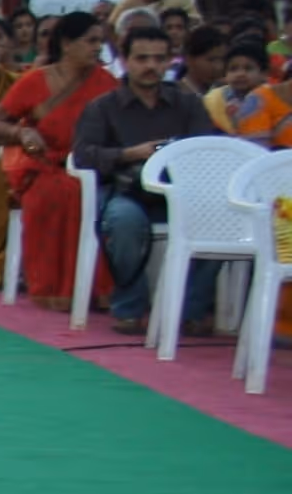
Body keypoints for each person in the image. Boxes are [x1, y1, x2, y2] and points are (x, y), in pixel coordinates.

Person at [72, 21, 229, 333]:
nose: (151, 66)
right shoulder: (103, 107)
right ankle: (130, 308)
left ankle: (188, 311)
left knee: (222, 223)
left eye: (159, 59)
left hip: (180, 194)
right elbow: (82, 155)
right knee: (125, 222)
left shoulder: (187, 104)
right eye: (142, 59)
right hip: (126, 191)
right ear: (126, 60)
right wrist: (129, 154)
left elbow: (209, 149)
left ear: (171, 61)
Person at [0, 9, 109, 304]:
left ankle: (92, 289)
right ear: (67, 44)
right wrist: (21, 134)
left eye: (100, 41)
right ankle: (54, 288)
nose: (97, 48)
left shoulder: (106, 83)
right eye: (90, 40)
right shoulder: (36, 81)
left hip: (92, 166)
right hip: (41, 165)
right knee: (58, 192)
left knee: (91, 193)